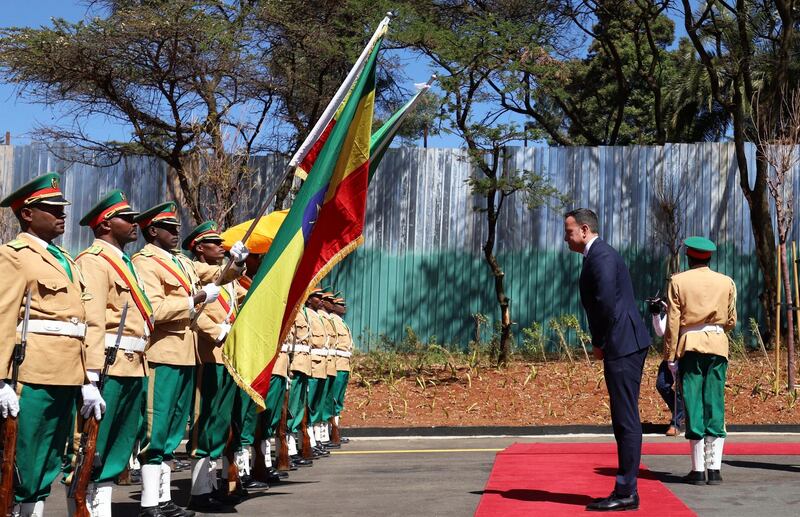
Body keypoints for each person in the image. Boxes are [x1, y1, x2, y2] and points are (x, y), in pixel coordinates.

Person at [131, 203, 248, 517]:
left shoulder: (182, 263)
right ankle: (148, 503)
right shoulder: (144, 263)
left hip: (185, 354)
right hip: (162, 352)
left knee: (170, 431)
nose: (175, 231)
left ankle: (165, 499)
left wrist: (236, 260)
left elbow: (219, 275)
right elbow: (154, 310)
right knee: (156, 427)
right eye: (168, 227)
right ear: (152, 231)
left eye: (175, 226)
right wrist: (195, 299)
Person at [0, 172, 104, 516]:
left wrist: (89, 380)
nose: (61, 215)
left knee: (49, 460)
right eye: (51, 208)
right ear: (26, 214)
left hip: (67, 375)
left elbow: (83, 323)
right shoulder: (14, 255)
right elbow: (3, 318)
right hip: (32, 374)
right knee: (22, 461)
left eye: (62, 208)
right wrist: (1, 380)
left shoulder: (67, 260)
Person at [563, 208, 650, 512]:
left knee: (625, 419)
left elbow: (605, 305)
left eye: (569, 231)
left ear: (584, 230)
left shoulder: (600, 256)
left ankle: (627, 491)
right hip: (624, 342)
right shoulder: (598, 254)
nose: (566, 238)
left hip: (622, 343)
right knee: (623, 417)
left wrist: (598, 341)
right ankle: (626, 488)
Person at [72, 189, 150, 516]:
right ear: (105, 224)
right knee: (93, 449)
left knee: (118, 448)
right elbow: (92, 320)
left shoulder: (126, 263)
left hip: (134, 366)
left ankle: (101, 508)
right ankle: (83, 506)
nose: (135, 224)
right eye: (127, 219)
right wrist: (89, 375)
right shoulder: (93, 262)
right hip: (107, 366)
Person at [182, 221, 254, 511]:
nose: (221, 246)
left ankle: (212, 485)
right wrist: (216, 330)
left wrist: (240, 261)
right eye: (214, 242)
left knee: (220, 422)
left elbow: (242, 295)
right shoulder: (196, 274)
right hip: (206, 355)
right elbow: (190, 312)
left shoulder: (224, 278)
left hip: (226, 358)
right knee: (204, 423)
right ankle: (199, 491)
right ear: (199, 248)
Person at [663, 237, 736, 486]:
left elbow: (672, 322)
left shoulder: (678, 281)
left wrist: (670, 356)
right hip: (717, 345)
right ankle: (714, 470)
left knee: (692, 402)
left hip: (690, 345)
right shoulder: (726, 282)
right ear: (710, 258)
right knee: (715, 402)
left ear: (689, 257)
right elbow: (731, 320)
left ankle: (697, 471)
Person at [649, 297, 685, 436]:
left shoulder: (687, 310)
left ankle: (676, 422)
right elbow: (660, 331)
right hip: (670, 355)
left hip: (684, 353)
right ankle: (680, 412)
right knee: (662, 384)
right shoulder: (672, 312)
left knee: (682, 389)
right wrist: (656, 314)